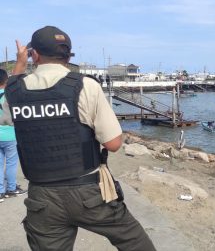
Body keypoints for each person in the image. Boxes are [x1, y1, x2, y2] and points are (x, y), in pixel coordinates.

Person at [2, 26, 156, 250]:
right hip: (89, 192)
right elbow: (113, 144)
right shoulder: (85, 86)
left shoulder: (15, 92)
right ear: (68, 55)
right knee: (135, 242)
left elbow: (7, 113)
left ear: (34, 54)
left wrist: (20, 64)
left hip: (42, 198)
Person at [0, 69, 26, 203]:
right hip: (10, 134)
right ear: (6, 80)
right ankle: (11, 188)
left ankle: (0, 192)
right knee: (11, 163)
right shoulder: (10, 95)